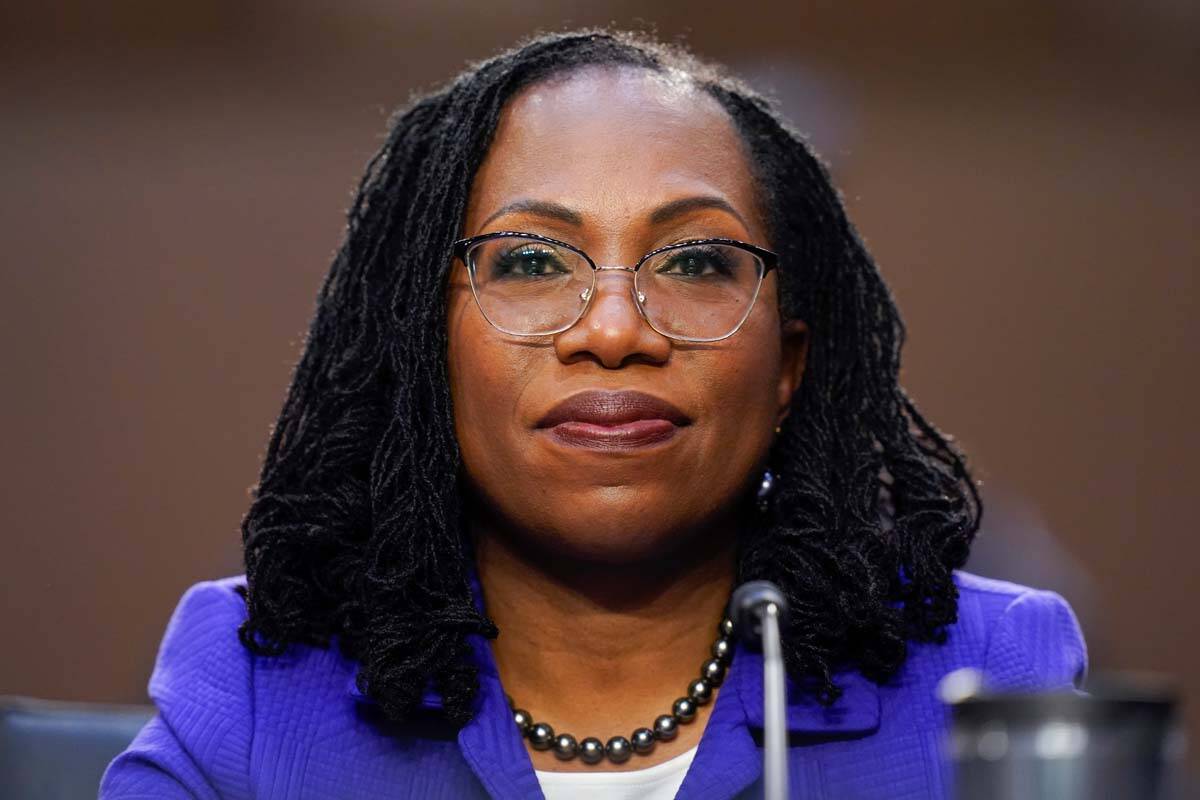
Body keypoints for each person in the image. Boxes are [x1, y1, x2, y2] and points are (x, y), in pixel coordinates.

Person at [100, 27, 1086, 800]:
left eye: (697, 261)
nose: (614, 328)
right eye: (530, 261)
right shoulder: (255, 692)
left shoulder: (993, 682)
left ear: (787, 365)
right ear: (424, 342)